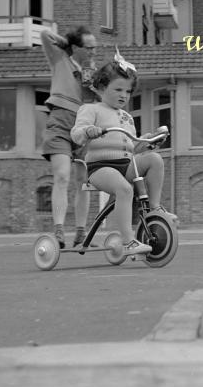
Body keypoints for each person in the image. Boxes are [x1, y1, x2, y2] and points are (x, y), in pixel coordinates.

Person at [70, 59, 170, 255]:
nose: (124, 95)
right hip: (100, 168)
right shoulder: (91, 109)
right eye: (118, 90)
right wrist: (88, 131)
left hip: (125, 165)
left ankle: (154, 208)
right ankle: (128, 241)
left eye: (127, 91)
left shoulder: (127, 117)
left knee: (154, 159)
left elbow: (132, 146)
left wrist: (148, 141)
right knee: (124, 189)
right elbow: (76, 134)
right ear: (100, 87)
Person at [41, 25, 97, 249]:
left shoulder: (91, 69)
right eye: (89, 47)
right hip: (60, 123)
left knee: (84, 183)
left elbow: (97, 99)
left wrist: (94, 85)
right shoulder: (60, 59)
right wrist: (65, 44)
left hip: (83, 125)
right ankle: (59, 231)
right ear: (76, 47)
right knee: (62, 176)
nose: (93, 51)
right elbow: (45, 35)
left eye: (95, 47)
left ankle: (81, 233)